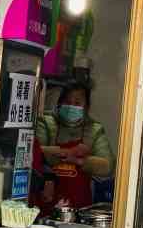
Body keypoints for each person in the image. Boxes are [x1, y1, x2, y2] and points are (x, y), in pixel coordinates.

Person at [35, 83, 114, 212]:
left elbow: (108, 166)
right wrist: (67, 153)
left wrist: (80, 161)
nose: (72, 106)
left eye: (77, 103)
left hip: (79, 207)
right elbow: (36, 152)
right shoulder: (46, 122)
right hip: (45, 201)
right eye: (67, 102)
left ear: (86, 107)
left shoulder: (94, 129)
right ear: (59, 103)